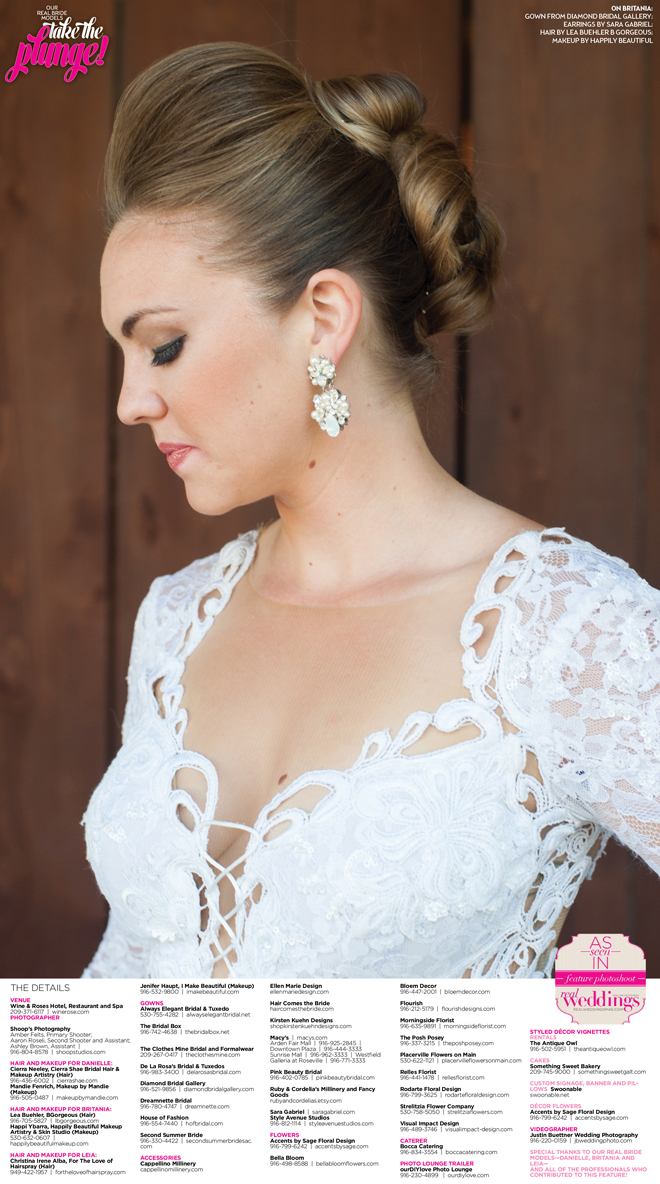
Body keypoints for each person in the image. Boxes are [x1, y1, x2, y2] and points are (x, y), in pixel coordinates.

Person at [82, 43, 660, 981]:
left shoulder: (564, 635)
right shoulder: (179, 622)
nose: (130, 402)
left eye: (165, 345)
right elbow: (134, 970)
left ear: (323, 317)